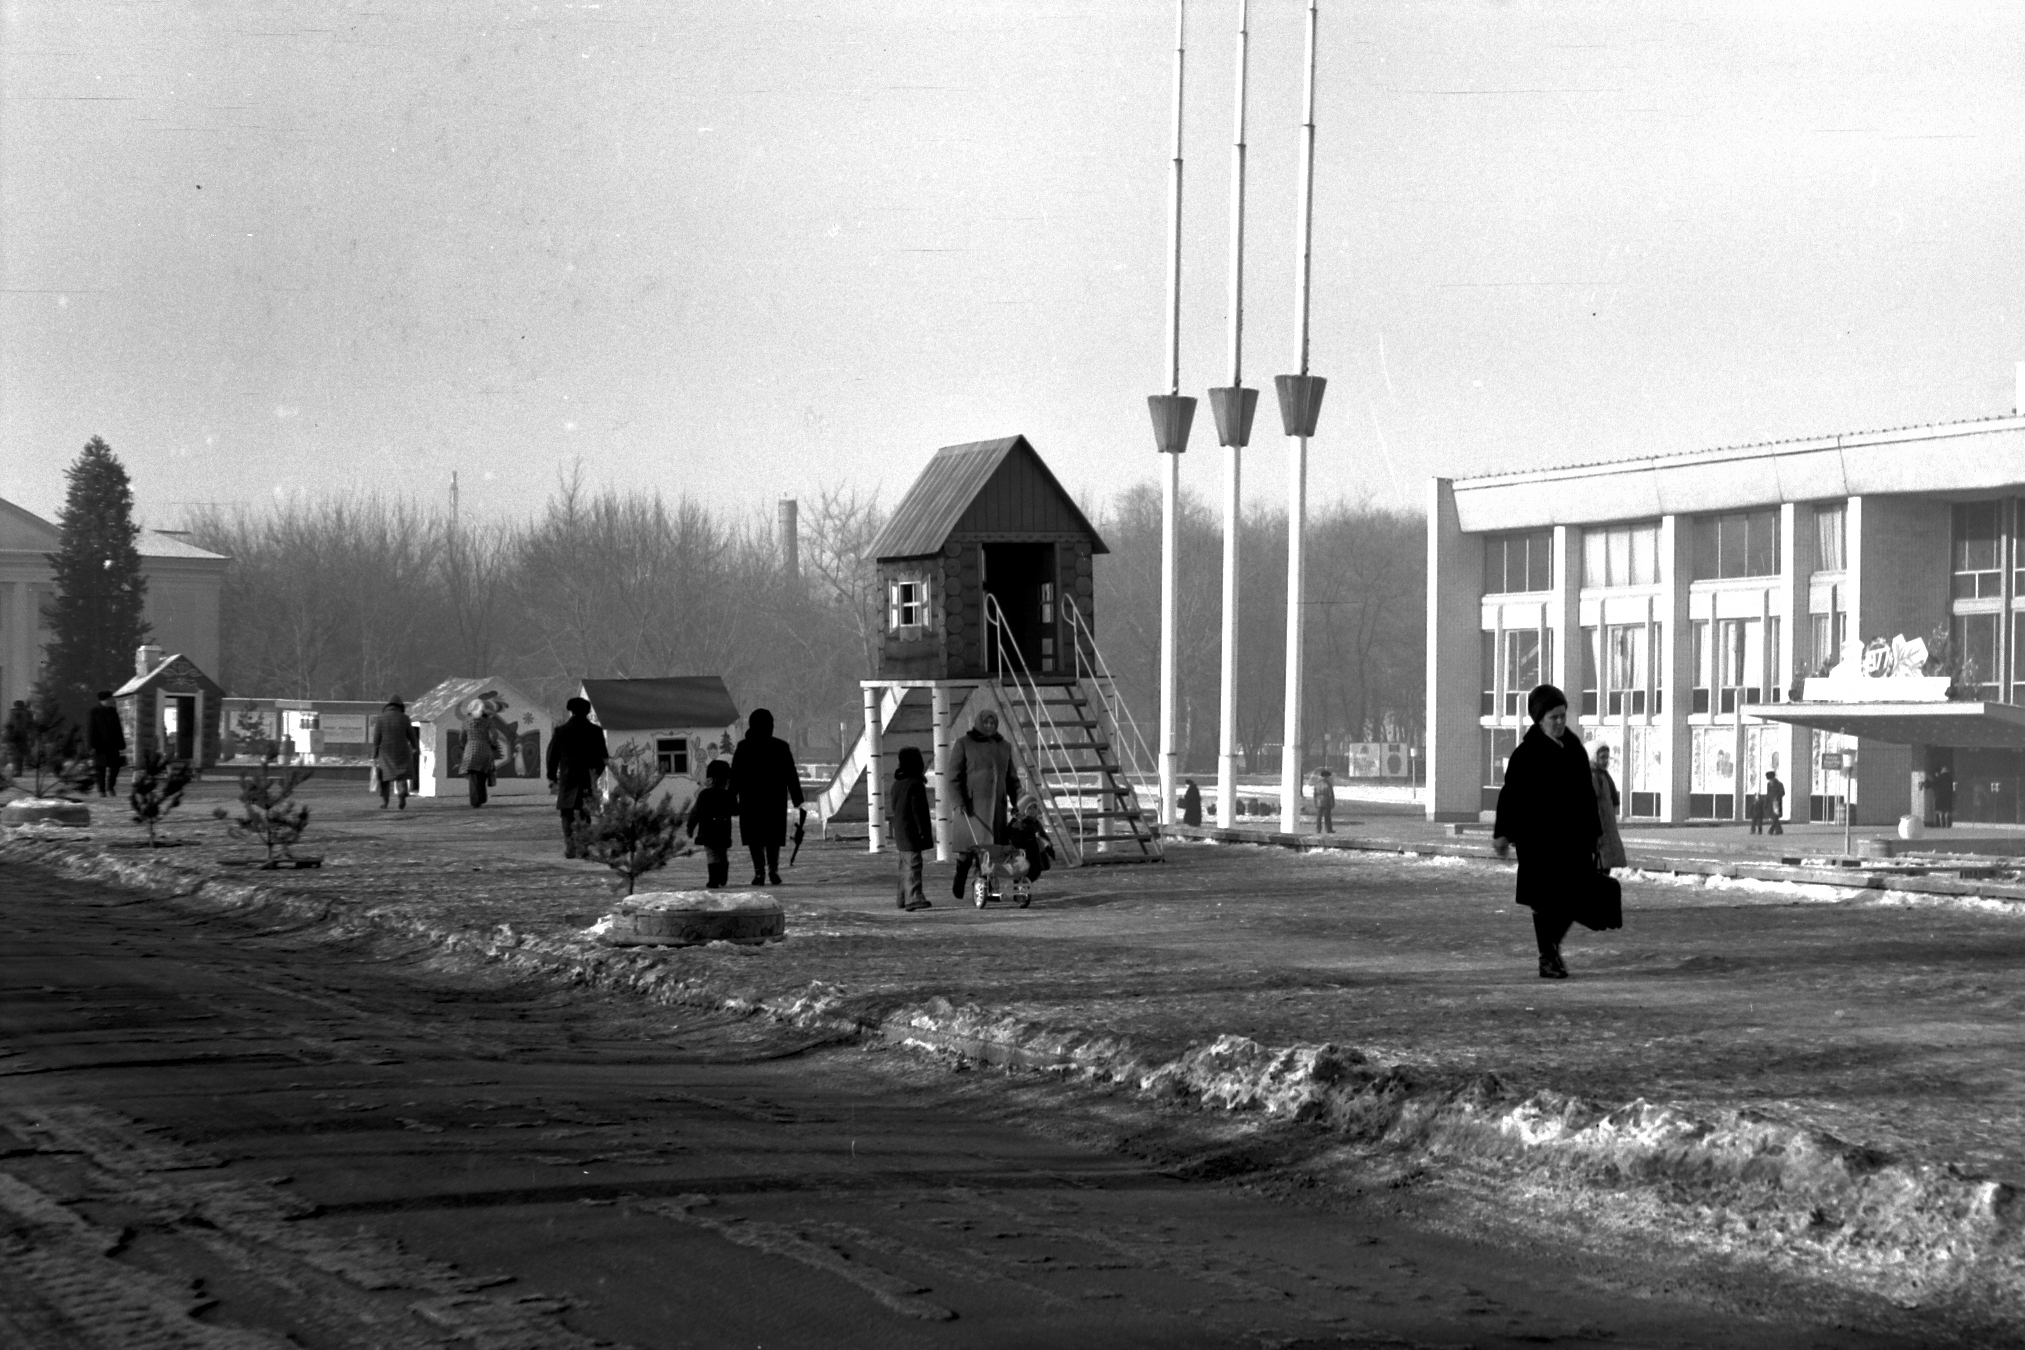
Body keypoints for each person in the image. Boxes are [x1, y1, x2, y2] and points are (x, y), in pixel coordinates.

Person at [1492, 684, 1602, 980]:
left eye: (1563, 715)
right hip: (1538, 840)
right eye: (1554, 717)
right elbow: (1510, 795)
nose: (1560, 722)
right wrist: (1502, 833)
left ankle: (1549, 949)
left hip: (1573, 838)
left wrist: (1595, 834)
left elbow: (1587, 796)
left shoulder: (1575, 749)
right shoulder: (1526, 755)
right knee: (1545, 899)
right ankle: (1548, 957)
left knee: (1576, 896)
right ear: (1539, 719)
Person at [948, 708, 1018, 902]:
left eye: (992, 723)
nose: (989, 726)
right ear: (979, 723)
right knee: (967, 851)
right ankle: (960, 877)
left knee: (992, 851)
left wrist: (1018, 801)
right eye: (986, 723)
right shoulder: (964, 744)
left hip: (996, 808)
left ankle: (988, 886)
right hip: (971, 808)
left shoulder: (1004, 746)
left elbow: (1012, 779)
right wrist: (958, 802)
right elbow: (953, 778)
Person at [731, 707, 803, 885]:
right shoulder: (781, 747)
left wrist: (731, 798)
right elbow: (791, 775)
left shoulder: (743, 747)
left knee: (754, 838)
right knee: (773, 838)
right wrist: (798, 800)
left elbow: (735, 776)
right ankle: (773, 870)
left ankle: (759, 873)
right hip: (774, 800)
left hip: (750, 800)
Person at [546, 695, 610, 857]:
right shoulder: (595, 731)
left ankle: (570, 847)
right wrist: (594, 774)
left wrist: (552, 776)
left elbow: (552, 756)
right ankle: (583, 847)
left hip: (567, 777)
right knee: (584, 812)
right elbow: (603, 758)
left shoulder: (561, 731)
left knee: (566, 813)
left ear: (571, 711)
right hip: (586, 777)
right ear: (587, 712)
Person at [888, 745, 934, 911]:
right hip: (912, 832)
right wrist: (923, 833)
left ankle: (902, 897)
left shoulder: (897, 784)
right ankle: (914, 897)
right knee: (913, 865)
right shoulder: (915, 785)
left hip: (900, 830)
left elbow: (894, 806)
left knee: (904, 866)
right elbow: (919, 811)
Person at [458, 694, 516, 808]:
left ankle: (475, 801)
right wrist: (493, 745)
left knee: (473, 777)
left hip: (470, 749)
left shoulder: (466, 722)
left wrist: (463, 746)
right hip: (485, 750)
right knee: (483, 775)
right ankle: (482, 797)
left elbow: (462, 737)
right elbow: (493, 734)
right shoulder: (487, 721)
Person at [687, 759, 736, 888]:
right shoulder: (728, 795)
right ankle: (723, 876)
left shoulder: (704, 794)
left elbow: (695, 813)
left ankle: (713, 879)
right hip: (723, 829)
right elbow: (735, 810)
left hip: (707, 830)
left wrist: (690, 827)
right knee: (722, 852)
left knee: (711, 853)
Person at [1004, 796, 1054, 905]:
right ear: (1023, 810)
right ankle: (1019, 892)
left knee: (1035, 870)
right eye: (1029, 808)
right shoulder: (1017, 822)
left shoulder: (1035, 822)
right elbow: (1012, 835)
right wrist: (1017, 842)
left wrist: (1049, 846)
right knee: (1021, 870)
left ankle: (1024, 885)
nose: (1032, 811)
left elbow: (1042, 835)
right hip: (1020, 851)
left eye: (1034, 808)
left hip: (1034, 850)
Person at [369, 697, 414, 809]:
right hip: (402, 750)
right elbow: (411, 735)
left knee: (384, 778)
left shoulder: (381, 719)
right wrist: (415, 747)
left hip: (385, 753)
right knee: (401, 775)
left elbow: (376, 737)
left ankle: (385, 802)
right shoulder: (405, 718)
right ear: (400, 707)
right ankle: (402, 793)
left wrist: (374, 753)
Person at [1592, 744, 1627, 869]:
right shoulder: (1593, 776)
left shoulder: (1603, 775)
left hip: (1606, 825)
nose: (1606, 761)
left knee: (1606, 864)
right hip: (1599, 827)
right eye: (1602, 757)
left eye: (1607, 757)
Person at [87, 690, 126, 797]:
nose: (112, 700)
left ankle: (110, 787)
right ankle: (102, 790)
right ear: (104, 700)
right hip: (100, 746)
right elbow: (91, 729)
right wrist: (92, 745)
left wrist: (121, 743)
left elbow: (118, 729)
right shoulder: (94, 712)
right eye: (110, 699)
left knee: (115, 767)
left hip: (113, 745)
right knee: (100, 770)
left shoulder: (113, 711)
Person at [4, 699, 29, 776]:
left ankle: (15, 770)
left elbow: (8, 723)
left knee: (13, 753)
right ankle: (18, 770)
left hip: (12, 735)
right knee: (20, 753)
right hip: (23, 735)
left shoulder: (11, 712)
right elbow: (29, 723)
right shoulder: (26, 713)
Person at [1763, 769, 1786, 836]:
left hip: (1776, 803)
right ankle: (1779, 830)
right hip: (1770, 802)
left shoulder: (1779, 784)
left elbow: (1782, 792)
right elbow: (1768, 794)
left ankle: (1771, 830)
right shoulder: (1769, 784)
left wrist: (1777, 797)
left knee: (1775, 816)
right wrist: (1766, 802)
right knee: (1773, 817)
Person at [1314, 768, 1336, 834]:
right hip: (1326, 802)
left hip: (1318, 801)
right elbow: (1330, 794)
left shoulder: (1317, 784)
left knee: (1319, 817)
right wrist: (1332, 803)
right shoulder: (1328, 784)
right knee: (1327, 817)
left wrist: (1315, 802)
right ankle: (1329, 829)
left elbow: (1315, 794)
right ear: (1327, 777)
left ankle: (1318, 829)